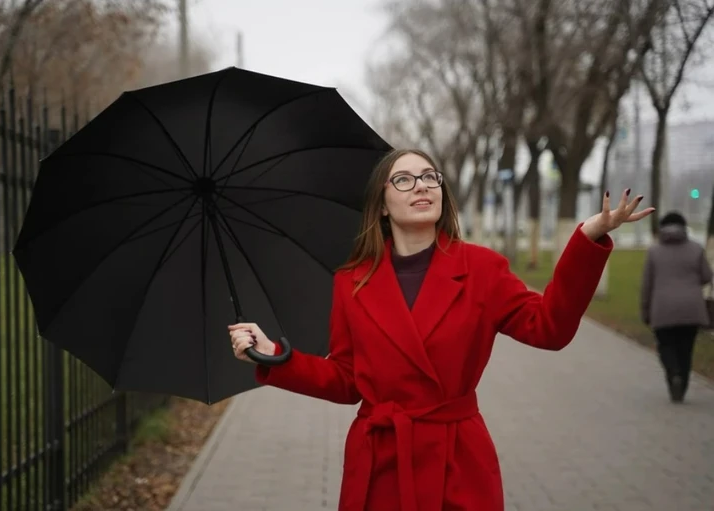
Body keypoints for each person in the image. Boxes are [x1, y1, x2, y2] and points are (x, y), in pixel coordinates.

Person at [228, 149, 654, 511]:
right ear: (381, 204)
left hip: (457, 462)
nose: (422, 186)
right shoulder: (351, 281)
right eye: (404, 179)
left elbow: (549, 329)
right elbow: (346, 379)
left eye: (430, 177)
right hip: (379, 465)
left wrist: (586, 239)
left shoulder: (482, 269)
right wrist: (275, 357)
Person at [640, 211, 713, 403]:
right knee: (685, 350)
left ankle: (674, 374)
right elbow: (707, 276)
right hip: (691, 309)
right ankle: (682, 387)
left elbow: (647, 285)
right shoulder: (696, 249)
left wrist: (645, 311)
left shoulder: (654, 252)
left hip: (662, 309)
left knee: (666, 346)